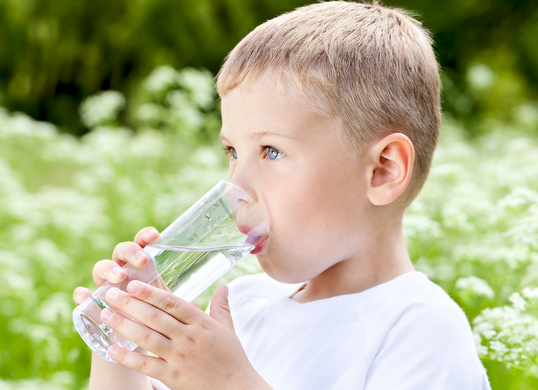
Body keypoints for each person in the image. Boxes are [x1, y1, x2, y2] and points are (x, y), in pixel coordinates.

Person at [73, 1, 491, 389]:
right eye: (232, 152)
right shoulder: (242, 308)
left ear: (383, 170)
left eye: (272, 151)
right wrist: (123, 337)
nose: (238, 188)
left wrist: (231, 382)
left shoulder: (419, 329)